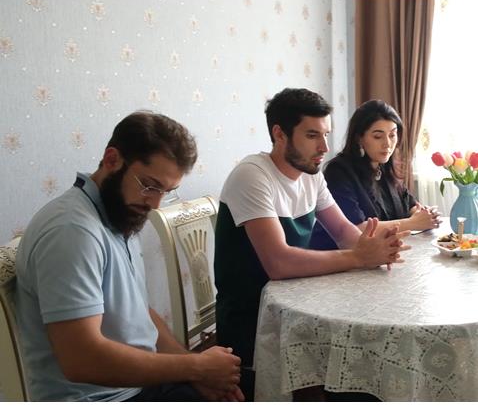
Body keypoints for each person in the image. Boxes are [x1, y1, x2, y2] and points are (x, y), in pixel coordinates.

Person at [14, 111, 244, 402]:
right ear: (112, 160)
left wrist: (193, 371)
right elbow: (80, 359)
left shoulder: (118, 212)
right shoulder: (72, 231)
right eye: (150, 185)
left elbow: (140, 312)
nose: (155, 204)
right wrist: (196, 367)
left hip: (139, 385)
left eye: (166, 191)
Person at [214, 88, 411, 401]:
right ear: (279, 134)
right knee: (357, 367)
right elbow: (279, 263)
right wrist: (359, 257)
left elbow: (344, 232)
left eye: (326, 135)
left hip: (301, 300)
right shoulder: (252, 176)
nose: (324, 147)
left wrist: (373, 248)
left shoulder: (311, 174)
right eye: (312, 135)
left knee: (370, 360)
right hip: (254, 317)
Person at [309, 99, 440, 250]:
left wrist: (424, 215)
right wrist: (413, 223)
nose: (387, 144)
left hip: (376, 255)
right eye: (378, 136)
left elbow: (410, 205)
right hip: (336, 256)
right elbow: (355, 229)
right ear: (359, 138)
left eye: (392, 135)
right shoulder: (338, 171)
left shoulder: (384, 166)